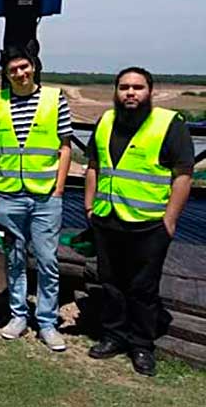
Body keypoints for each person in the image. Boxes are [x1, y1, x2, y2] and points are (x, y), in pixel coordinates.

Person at [85, 67, 194, 376]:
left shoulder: (169, 124)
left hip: (149, 222)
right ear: (116, 91)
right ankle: (114, 336)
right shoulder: (106, 120)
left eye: (137, 87)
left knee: (143, 288)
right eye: (124, 87)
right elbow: (93, 164)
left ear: (150, 92)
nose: (130, 93)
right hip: (108, 218)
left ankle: (142, 345)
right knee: (110, 282)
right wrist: (89, 206)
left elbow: (183, 174)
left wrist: (170, 220)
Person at [0, 40, 72, 351]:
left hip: (46, 195)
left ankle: (47, 322)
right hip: (9, 196)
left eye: (24, 67)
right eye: (13, 69)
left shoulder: (54, 98)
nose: (19, 73)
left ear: (34, 67)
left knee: (48, 260)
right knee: (15, 258)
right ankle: (18, 315)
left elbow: (65, 146)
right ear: (6, 74)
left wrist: (59, 189)